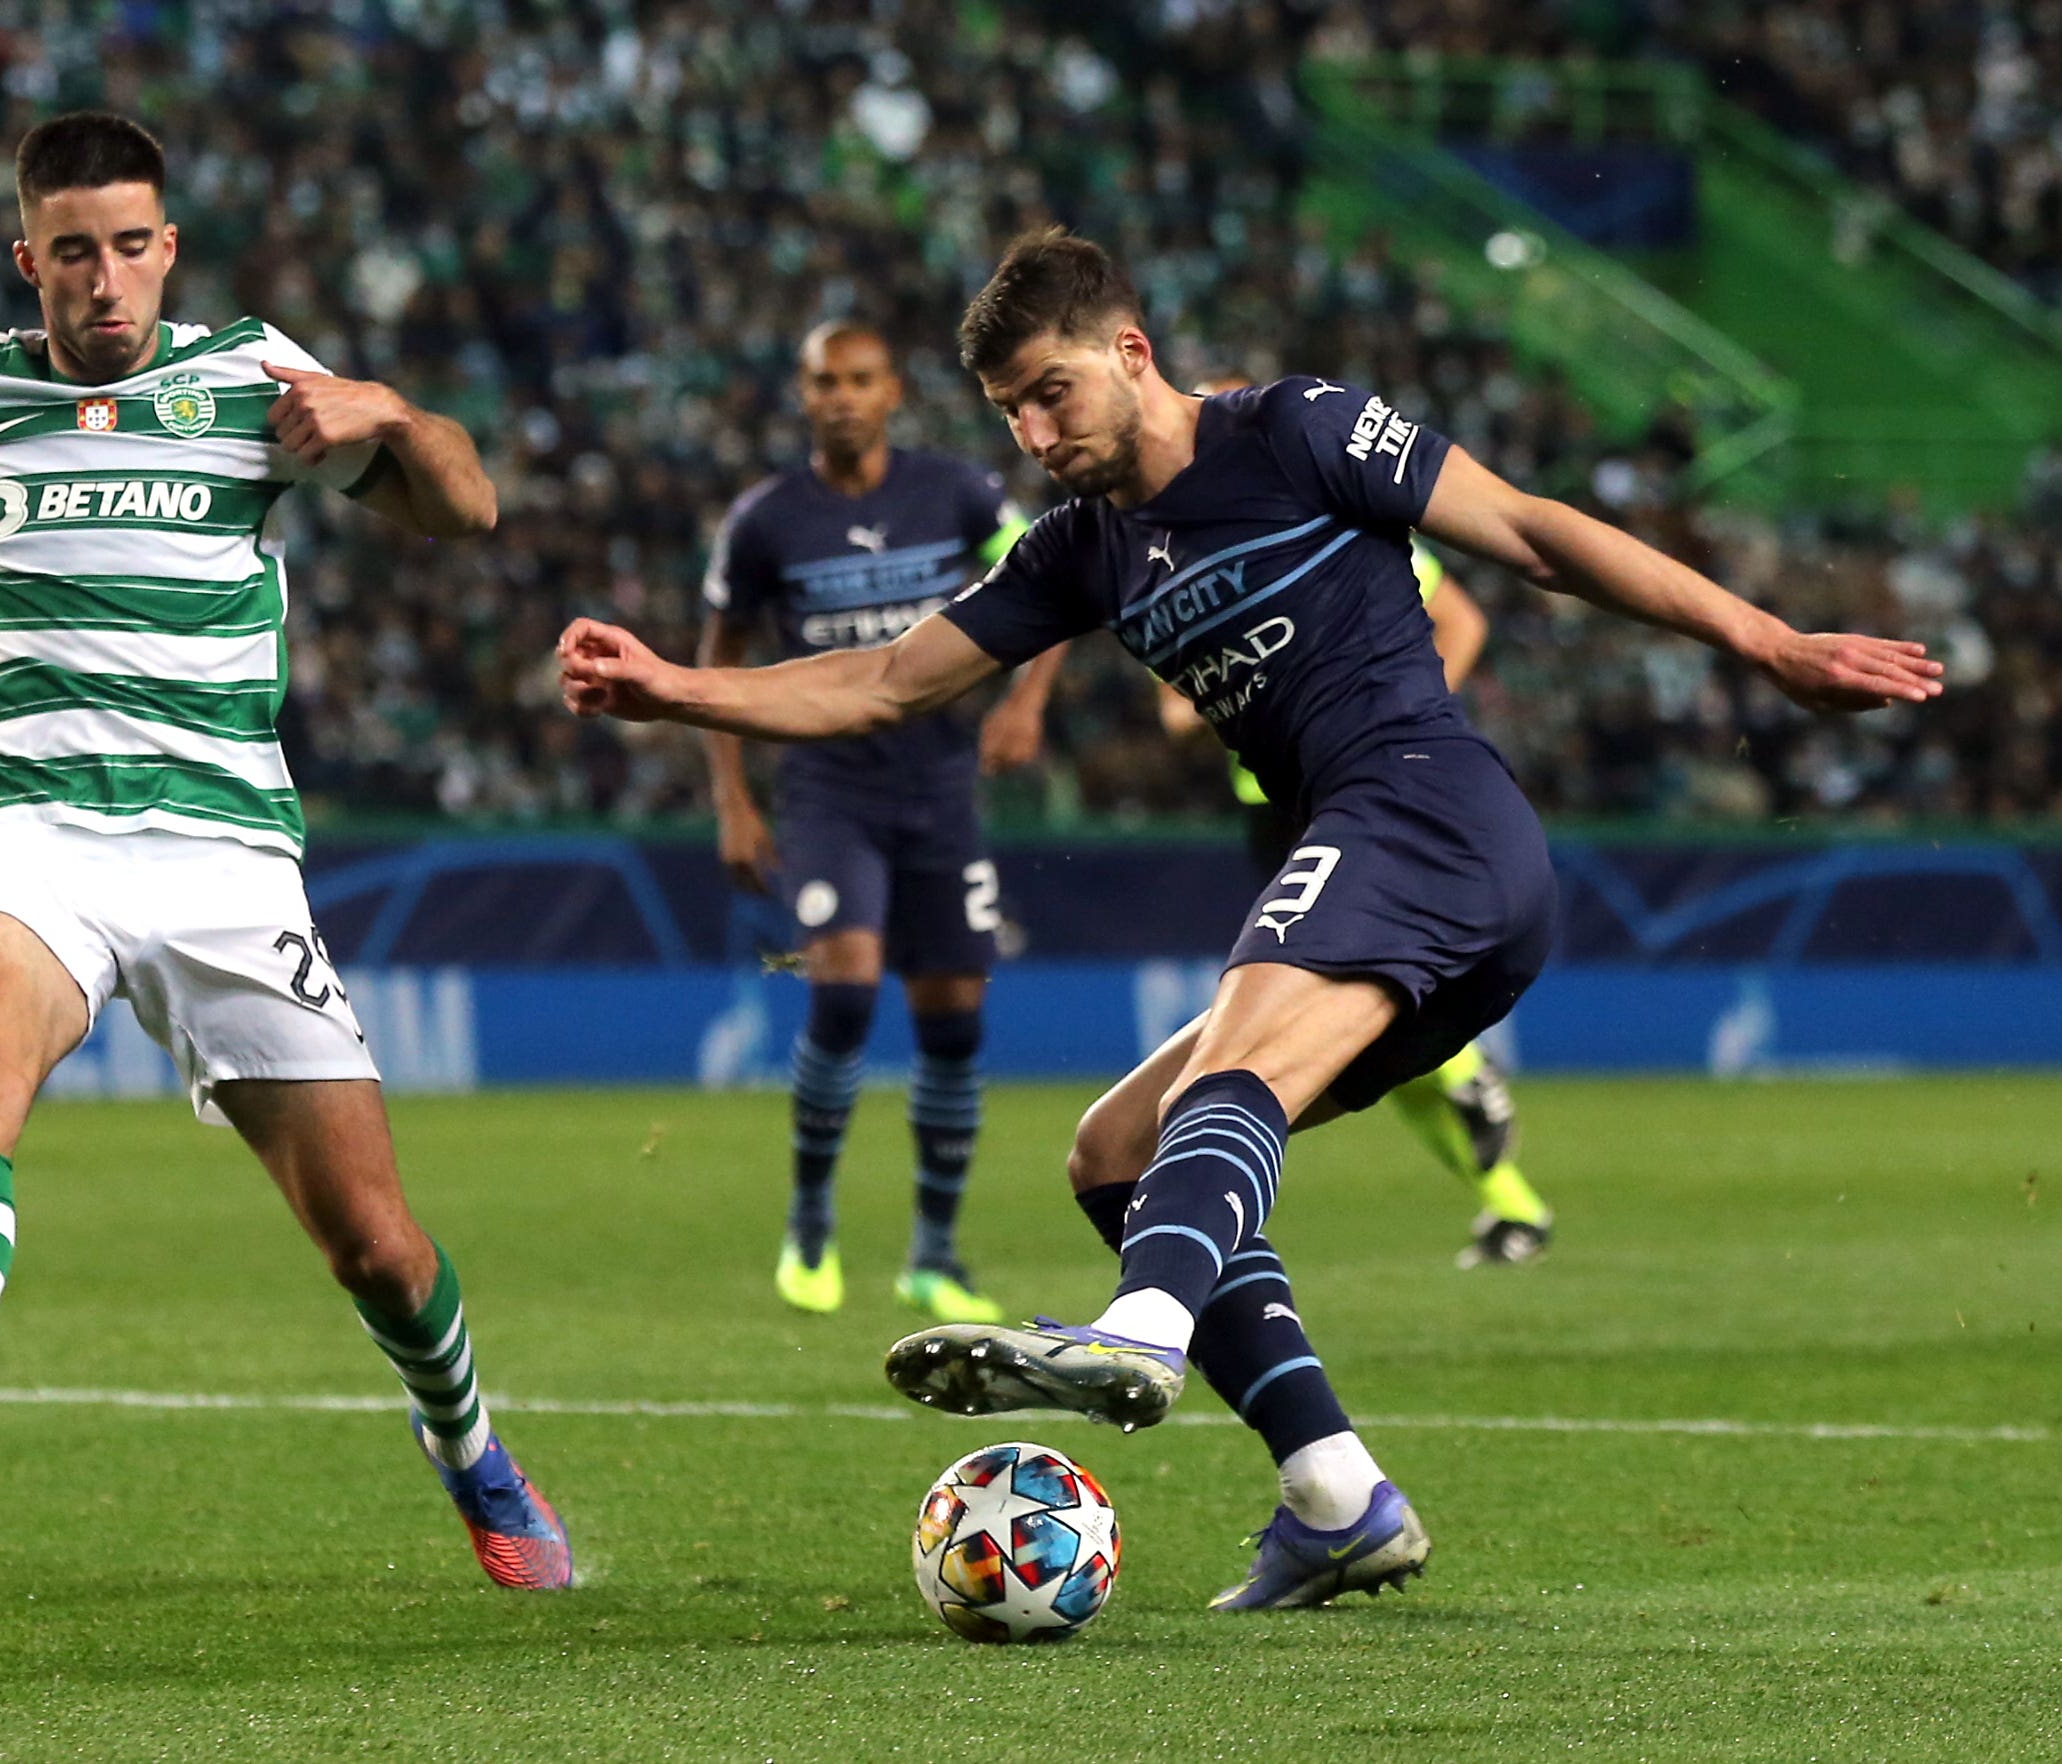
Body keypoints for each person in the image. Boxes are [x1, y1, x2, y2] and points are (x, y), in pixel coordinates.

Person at [557, 227, 1938, 1608]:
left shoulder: (1299, 428)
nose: (1036, 434)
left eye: (1051, 393)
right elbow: (882, 683)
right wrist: (673, 690)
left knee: (1224, 1077)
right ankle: (1335, 1497)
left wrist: (1768, 643)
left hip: (1425, 809)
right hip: (1394, 868)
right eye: (1009, 415)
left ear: (1129, 352)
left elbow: (1527, 532)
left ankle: (1140, 1330)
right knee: (1115, 1155)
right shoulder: (1078, 553)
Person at [0, 112, 570, 1589]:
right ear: (30, 260)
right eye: (73, 253)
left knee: (377, 1250)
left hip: (221, 857)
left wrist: (382, 410)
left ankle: (468, 1447)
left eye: (131, 247)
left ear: (168, 249)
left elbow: (468, 509)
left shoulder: (257, 377)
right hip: (25, 826)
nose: (105, 281)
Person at [701, 319, 1055, 1324]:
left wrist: (1026, 702)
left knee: (954, 1020)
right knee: (847, 988)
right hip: (826, 791)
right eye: (824, 382)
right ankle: (811, 1223)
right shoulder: (766, 521)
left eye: (860, 379)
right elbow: (718, 656)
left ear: (893, 389)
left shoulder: (957, 493)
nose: (842, 397)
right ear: (802, 395)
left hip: (941, 790)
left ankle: (933, 1255)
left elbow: (1057, 576)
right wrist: (731, 797)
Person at [1158, 372, 1555, 1268]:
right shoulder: (1180, 554)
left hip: (1366, 787)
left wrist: (1389, 715)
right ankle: (1508, 1195)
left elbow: (1462, 620)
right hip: (1274, 799)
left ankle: (1464, 1079)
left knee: (1321, 1000)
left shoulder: (1331, 520)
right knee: (1349, 1008)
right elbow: (1174, 702)